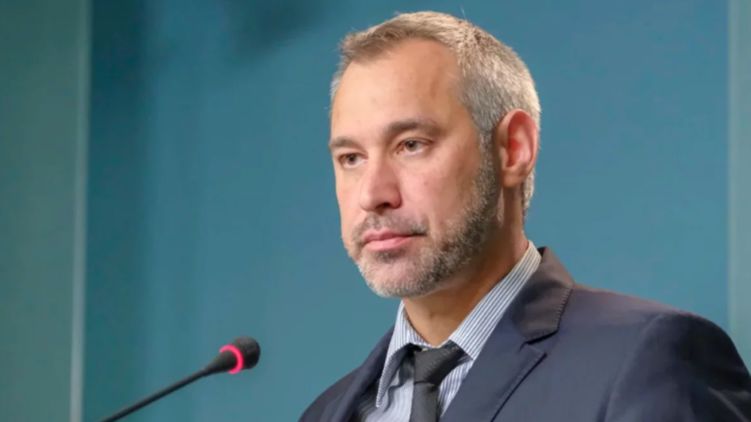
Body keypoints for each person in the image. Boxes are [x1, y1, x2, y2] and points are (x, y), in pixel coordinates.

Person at [301, 11, 751, 422]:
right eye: (351, 158)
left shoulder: (649, 361)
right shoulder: (324, 413)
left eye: (411, 145)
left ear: (513, 149)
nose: (373, 195)